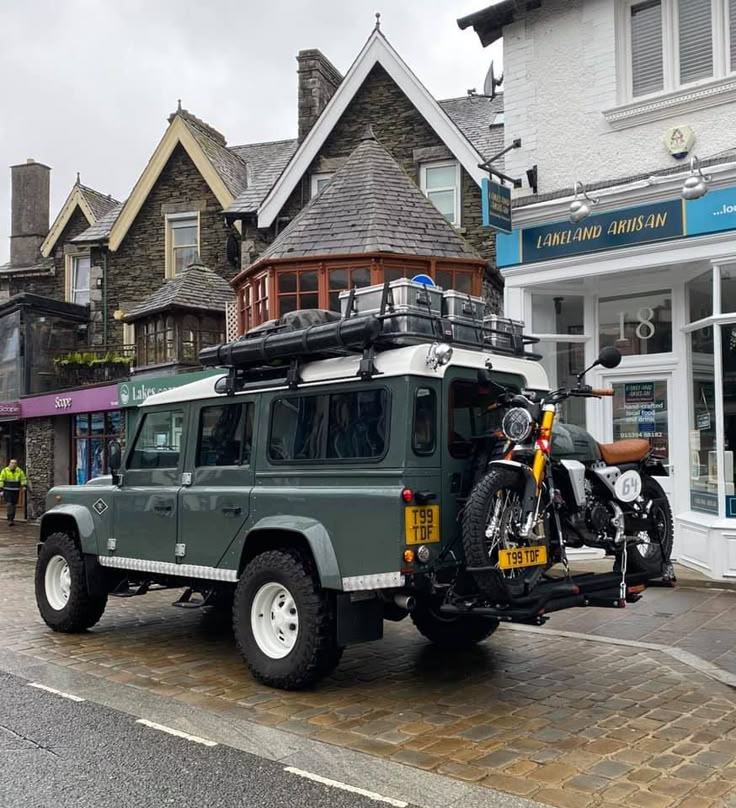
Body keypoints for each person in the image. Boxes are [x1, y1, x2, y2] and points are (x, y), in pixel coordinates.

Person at [0, 459, 27, 526]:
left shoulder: (19, 471)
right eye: (12, 463)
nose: (13, 464)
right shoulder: (5, 471)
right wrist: (1, 490)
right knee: (9, 504)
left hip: (16, 490)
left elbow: (23, 478)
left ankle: (12, 518)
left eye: (15, 463)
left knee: (14, 505)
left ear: (16, 464)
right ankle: (10, 519)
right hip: (7, 490)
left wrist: (24, 485)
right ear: (9, 463)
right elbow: (1, 480)